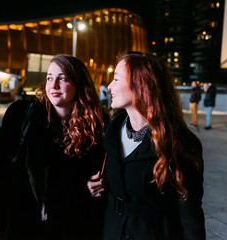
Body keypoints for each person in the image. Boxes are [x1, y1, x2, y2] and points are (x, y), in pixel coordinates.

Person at [0, 54, 108, 240]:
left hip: (69, 225)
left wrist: (96, 186)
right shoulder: (24, 115)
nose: (53, 85)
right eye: (49, 78)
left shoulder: (96, 127)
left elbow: (98, 175)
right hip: (23, 224)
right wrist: (6, 201)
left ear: (79, 85)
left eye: (62, 78)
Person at [87, 52, 205, 240]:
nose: (109, 86)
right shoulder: (112, 129)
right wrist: (98, 186)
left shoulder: (179, 142)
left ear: (139, 84)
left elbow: (190, 216)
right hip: (112, 230)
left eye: (116, 79)